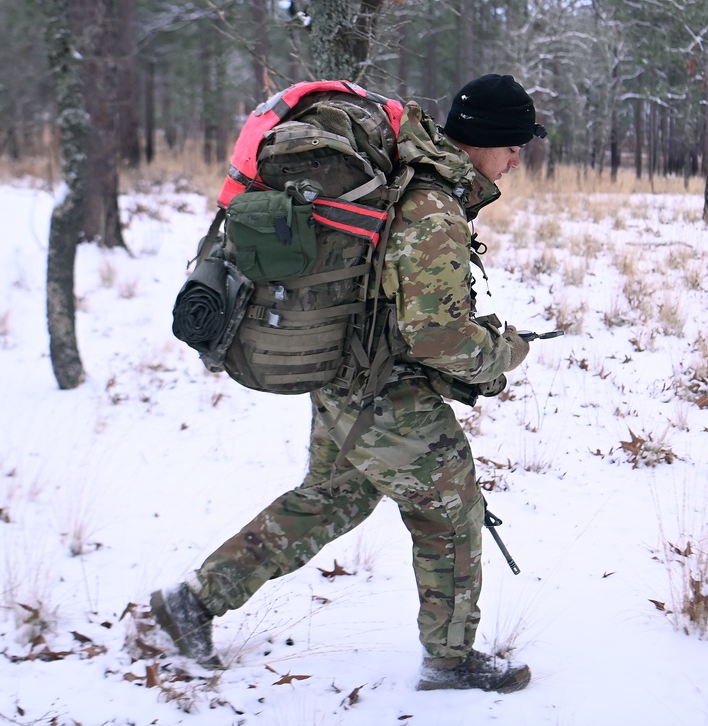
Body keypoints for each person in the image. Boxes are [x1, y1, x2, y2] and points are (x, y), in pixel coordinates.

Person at [149, 74, 547, 693]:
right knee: (451, 510)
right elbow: (436, 336)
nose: (518, 157)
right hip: (378, 388)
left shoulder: (420, 183)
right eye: (514, 143)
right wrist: (501, 355)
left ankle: (195, 602)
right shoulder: (433, 205)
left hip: (343, 374)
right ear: (485, 141)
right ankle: (449, 659)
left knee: (333, 499)